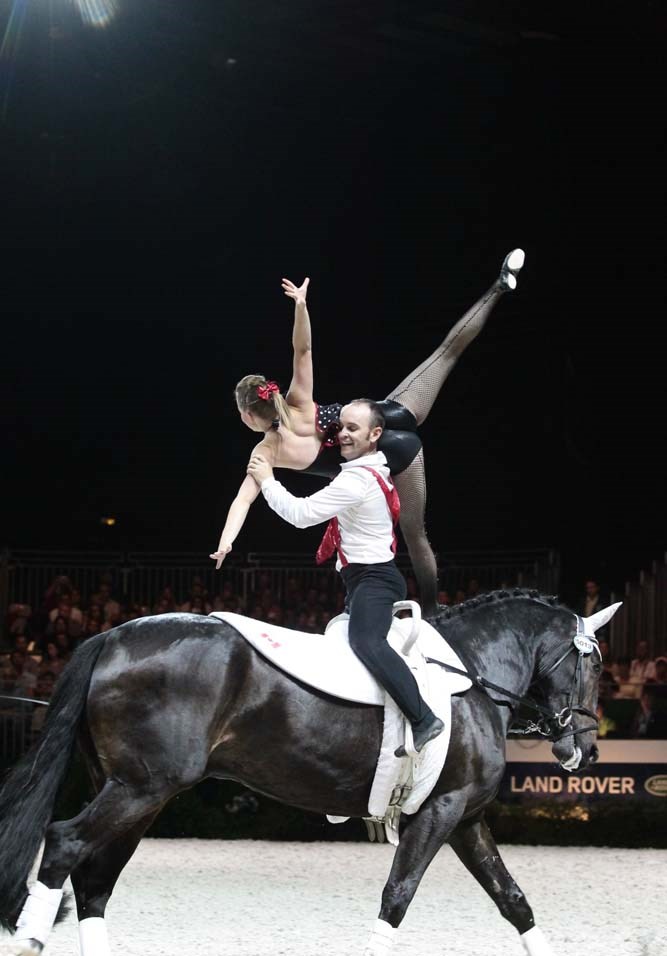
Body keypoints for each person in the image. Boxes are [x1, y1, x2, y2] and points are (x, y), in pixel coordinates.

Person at [211, 249, 525, 616]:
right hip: (382, 414)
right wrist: (300, 306)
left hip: (390, 451)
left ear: (247, 415)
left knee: (415, 532)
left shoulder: (265, 454)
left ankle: (433, 609)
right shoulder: (298, 401)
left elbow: (243, 500)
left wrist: (226, 542)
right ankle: (500, 285)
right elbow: (303, 349)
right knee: (445, 354)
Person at [246, 397, 444, 756]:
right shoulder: (376, 463)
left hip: (375, 580)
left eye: (353, 429)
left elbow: (301, 515)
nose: (344, 435)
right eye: (342, 427)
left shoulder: (355, 481)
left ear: (375, 434)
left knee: (367, 644)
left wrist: (267, 480)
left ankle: (424, 719)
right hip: (364, 579)